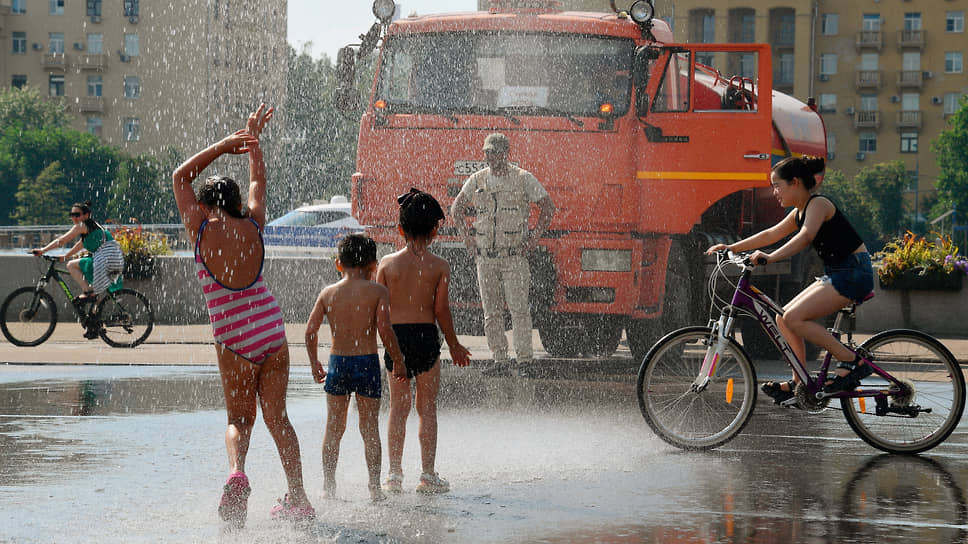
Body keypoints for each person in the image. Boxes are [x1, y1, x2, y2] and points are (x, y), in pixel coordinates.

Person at [172, 104, 315, 527]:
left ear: (203, 203)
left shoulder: (200, 231)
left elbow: (179, 176)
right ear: (235, 201)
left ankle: (237, 474)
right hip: (270, 328)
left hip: (233, 336)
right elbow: (259, 179)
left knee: (238, 418)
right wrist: (253, 143)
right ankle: (300, 497)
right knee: (279, 418)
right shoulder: (254, 224)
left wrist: (223, 145)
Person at [706, 156, 875, 403]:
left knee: (794, 318)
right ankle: (800, 383)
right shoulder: (800, 211)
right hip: (838, 273)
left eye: (777, 185)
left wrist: (771, 257)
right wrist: (731, 246)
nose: (774, 192)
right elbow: (771, 233)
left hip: (854, 273)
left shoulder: (819, 204)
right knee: (782, 317)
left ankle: (854, 361)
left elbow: (806, 236)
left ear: (795, 182)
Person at [377, 188, 472, 495]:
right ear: (434, 230)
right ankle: (427, 475)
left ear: (400, 228)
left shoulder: (386, 265)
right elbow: (441, 310)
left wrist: (384, 344)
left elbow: (379, 312)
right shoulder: (440, 266)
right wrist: (454, 344)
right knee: (427, 408)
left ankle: (393, 474)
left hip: (397, 337)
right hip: (427, 338)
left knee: (397, 408)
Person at [304, 233, 405, 502]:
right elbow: (384, 329)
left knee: (334, 427)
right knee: (369, 427)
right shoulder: (377, 292)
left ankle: (328, 486)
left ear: (339, 264)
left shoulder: (328, 293)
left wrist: (315, 362)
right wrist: (398, 359)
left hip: (338, 363)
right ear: (373, 265)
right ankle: (374, 487)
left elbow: (310, 331)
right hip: (367, 363)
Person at [451, 133, 555, 377]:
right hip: (486, 257)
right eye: (487, 152)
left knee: (519, 310)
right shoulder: (477, 180)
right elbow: (456, 209)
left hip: (514, 257)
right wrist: (468, 240)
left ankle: (525, 360)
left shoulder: (522, 179)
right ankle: (499, 360)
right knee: (491, 312)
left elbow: (548, 207)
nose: (490, 156)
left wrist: (533, 239)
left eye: (495, 152)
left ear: (505, 153)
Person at [32, 201, 123, 309]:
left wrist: (43, 250)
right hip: (114, 260)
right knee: (93, 287)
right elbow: (79, 245)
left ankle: (88, 293)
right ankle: (95, 314)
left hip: (105, 260)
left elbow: (61, 240)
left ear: (86, 215)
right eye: (72, 215)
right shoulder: (94, 226)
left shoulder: (81, 225)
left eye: (77, 215)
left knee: (71, 265)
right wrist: (65, 256)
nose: (74, 218)